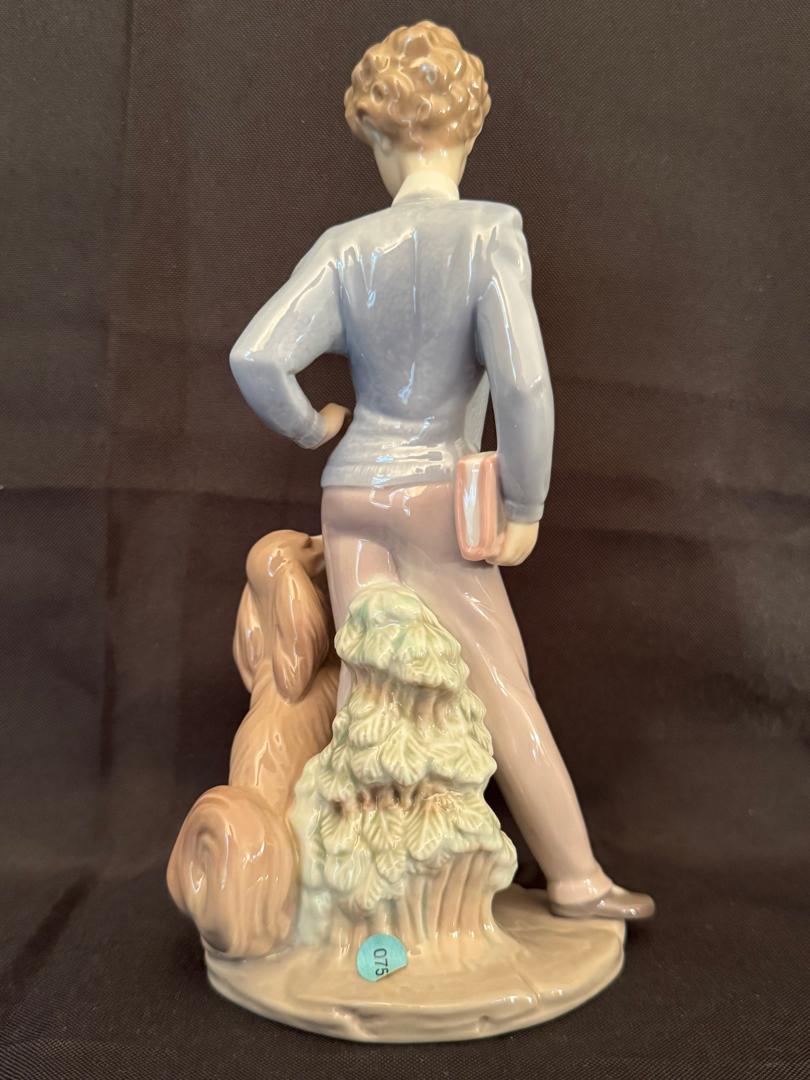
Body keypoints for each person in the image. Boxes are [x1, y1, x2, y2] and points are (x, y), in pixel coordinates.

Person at [230, 21, 654, 920]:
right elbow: (524, 382)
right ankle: (576, 878)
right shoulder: (489, 232)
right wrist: (527, 504)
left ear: (380, 141)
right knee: (498, 683)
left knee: (371, 695)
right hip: (437, 495)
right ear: (467, 131)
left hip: (352, 494)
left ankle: (366, 906)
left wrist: (314, 427)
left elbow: (256, 356)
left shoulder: (346, 245)